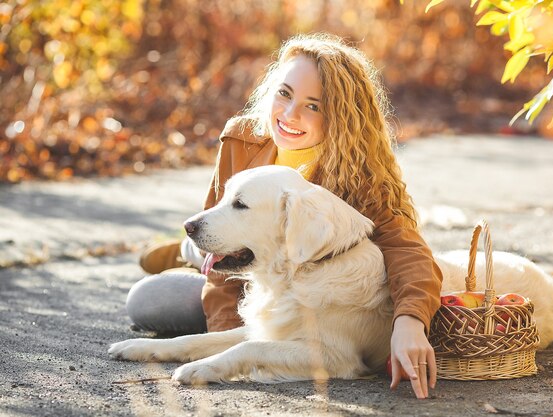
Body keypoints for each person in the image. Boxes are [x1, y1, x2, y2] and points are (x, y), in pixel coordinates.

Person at [127, 33, 443, 399]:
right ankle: (186, 251)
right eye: (285, 93)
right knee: (149, 299)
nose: (290, 115)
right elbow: (216, 229)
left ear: (340, 117)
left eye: (313, 106)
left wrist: (410, 321)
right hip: (237, 268)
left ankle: (189, 251)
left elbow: (409, 252)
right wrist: (225, 330)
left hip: (291, 287)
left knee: (154, 301)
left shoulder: (361, 174)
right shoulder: (242, 139)